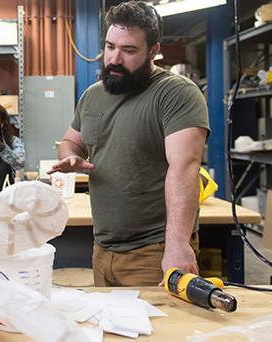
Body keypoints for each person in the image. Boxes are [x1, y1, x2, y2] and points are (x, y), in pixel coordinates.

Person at [48, 1, 209, 287]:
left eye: (129, 50)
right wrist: (71, 156)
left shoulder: (176, 94)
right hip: (102, 249)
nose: (114, 59)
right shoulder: (93, 95)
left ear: (153, 51)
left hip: (153, 252)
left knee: (160, 331)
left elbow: (185, 167)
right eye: (110, 47)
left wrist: (177, 245)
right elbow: (70, 140)